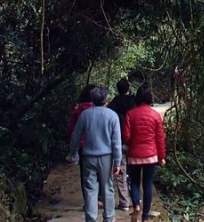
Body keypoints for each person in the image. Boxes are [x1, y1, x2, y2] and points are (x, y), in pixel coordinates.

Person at [68, 86, 122, 222]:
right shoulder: (112, 116)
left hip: (88, 157)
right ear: (106, 100)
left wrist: (73, 154)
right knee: (107, 188)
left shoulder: (85, 115)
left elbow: (75, 136)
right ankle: (109, 218)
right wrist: (117, 162)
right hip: (106, 157)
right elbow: (116, 142)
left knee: (90, 190)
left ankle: (91, 218)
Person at [122, 85, 166, 222]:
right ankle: (145, 216)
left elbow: (126, 137)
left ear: (137, 98)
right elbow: (160, 138)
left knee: (134, 182)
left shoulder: (130, 114)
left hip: (134, 155)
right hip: (151, 156)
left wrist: (132, 144)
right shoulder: (155, 116)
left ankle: (136, 205)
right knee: (147, 183)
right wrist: (162, 157)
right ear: (150, 98)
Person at [108, 78, 137, 212]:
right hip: (133, 141)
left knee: (121, 171)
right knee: (134, 171)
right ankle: (136, 199)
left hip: (118, 141)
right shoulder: (134, 102)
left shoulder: (113, 104)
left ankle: (124, 202)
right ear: (128, 88)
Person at [68, 84, 97, 200]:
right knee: (100, 172)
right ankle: (99, 197)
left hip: (83, 145)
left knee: (85, 174)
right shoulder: (99, 109)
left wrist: (72, 148)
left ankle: (88, 198)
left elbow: (71, 129)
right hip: (98, 143)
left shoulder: (77, 109)